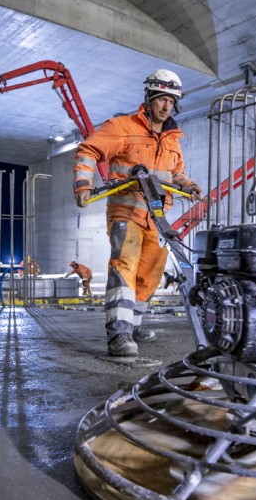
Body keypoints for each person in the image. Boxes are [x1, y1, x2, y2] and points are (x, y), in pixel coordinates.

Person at [73, 68, 202, 357]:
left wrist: (189, 185)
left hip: (156, 216)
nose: (166, 106)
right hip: (126, 211)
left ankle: (133, 323)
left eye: (171, 101)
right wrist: (82, 184)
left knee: (151, 273)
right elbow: (88, 149)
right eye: (161, 99)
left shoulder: (171, 139)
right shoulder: (123, 126)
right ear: (150, 98)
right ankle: (118, 333)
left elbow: (176, 173)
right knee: (125, 267)